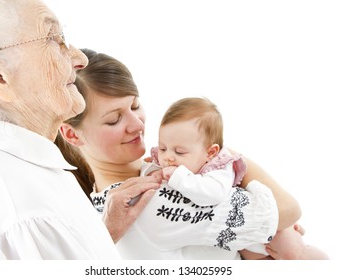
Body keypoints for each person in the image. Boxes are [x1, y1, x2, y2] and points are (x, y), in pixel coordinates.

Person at [57, 48, 302, 259]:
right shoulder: (149, 200)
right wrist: (225, 156)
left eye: (135, 106)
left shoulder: (108, 198)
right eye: (114, 120)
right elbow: (288, 210)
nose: (138, 125)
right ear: (72, 135)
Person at [0, 0, 161, 259]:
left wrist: (103, 235)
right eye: (52, 39)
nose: (80, 58)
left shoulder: (23, 176)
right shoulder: (26, 215)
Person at [141, 97, 328, 260]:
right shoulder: (178, 161)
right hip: (243, 241)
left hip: (274, 230)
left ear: (210, 152)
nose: (168, 157)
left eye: (179, 151)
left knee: (296, 255)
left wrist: (179, 177)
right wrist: (154, 170)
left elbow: (212, 195)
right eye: (163, 147)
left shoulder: (220, 167)